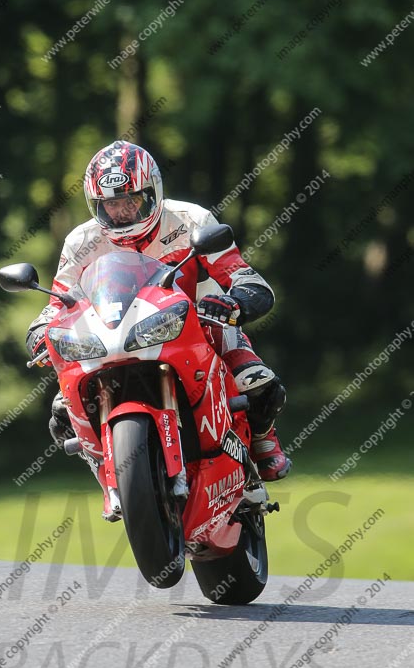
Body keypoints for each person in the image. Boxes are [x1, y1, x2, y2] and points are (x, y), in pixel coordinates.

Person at [26, 141, 291, 519]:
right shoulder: (81, 242)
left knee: (259, 383)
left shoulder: (191, 220)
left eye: (133, 200)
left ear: (153, 192)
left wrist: (235, 301)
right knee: (61, 412)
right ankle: (109, 474)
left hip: (199, 325)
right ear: (95, 206)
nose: (123, 211)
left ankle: (262, 443)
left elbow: (246, 278)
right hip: (111, 338)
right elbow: (58, 303)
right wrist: (39, 329)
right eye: (111, 205)